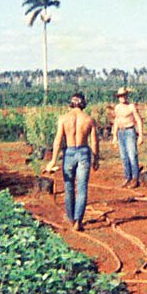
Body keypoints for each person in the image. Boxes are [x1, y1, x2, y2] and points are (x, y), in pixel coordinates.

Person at [45, 92, 100, 231]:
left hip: (69, 152)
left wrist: (53, 160)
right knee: (82, 188)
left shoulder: (63, 119)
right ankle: (78, 220)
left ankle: (70, 217)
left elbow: (58, 140)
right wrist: (96, 158)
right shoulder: (89, 120)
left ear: (71, 103)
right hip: (83, 153)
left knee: (69, 187)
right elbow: (94, 141)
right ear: (83, 104)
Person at [111, 87, 144, 188]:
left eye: (124, 95)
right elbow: (116, 121)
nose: (122, 98)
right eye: (120, 96)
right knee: (124, 156)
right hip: (121, 132)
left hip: (130, 131)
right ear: (118, 97)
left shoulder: (131, 107)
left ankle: (135, 178)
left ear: (126, 96)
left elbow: (138, 120)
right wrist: (114, 136)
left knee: (132, 155)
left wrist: (141, 135)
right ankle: (127, 177)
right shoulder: (117, 108)